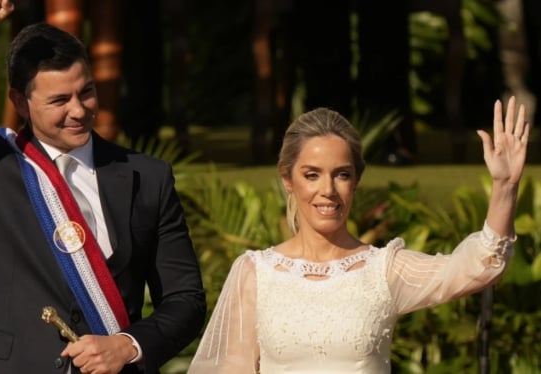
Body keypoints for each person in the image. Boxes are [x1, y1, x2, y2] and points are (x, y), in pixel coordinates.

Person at [0, 0, 206, 373]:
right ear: (19, 102)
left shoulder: (147, 176)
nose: (78, 110)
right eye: (59, 100)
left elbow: (185, 299)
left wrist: (127, 345)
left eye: (86, 91)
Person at [188, 98, 529, 373]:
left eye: (341, 175)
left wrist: (504, 187)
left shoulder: (383, 269)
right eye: (311, 174)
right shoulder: (254, 273)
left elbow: (479, 266)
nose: (327, 190)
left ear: (356, 182)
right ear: (287, 179)